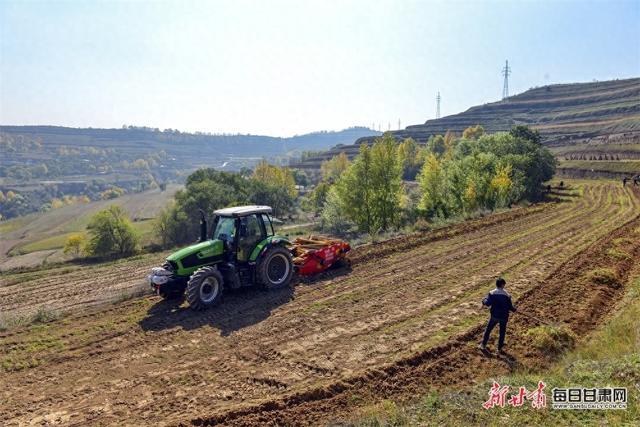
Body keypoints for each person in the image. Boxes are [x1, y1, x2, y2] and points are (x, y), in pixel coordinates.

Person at [479, 278, 517, 353]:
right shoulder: (507, 295)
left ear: (496, 284)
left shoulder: (492, 293)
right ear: (502, 285)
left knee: (488, 330)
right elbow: (510, 307)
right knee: (502, 332)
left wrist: (483, 300)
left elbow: (488, 303)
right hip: (504, 317)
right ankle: (499, 349)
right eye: (504, 284)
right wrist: (515, 309)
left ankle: (483, 345)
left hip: (494, 316)